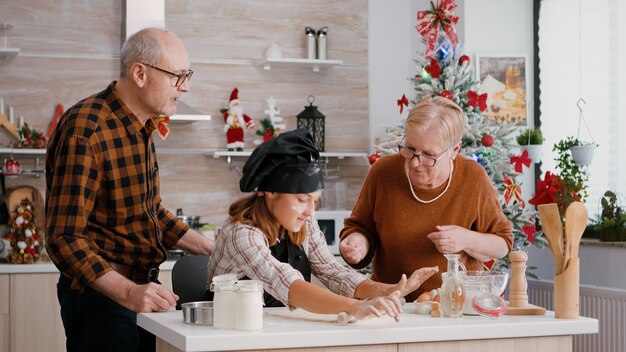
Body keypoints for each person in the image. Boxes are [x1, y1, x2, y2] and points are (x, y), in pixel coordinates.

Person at [45, 27, 214, 352]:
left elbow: (150, 214)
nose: (186, 87)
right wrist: (127, 292)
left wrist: (213, 250)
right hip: (102, 299)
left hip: (142, 289)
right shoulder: (87, 130)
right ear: (139, 73)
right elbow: (64, 238)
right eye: (177, 76)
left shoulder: (142, 127)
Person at [206, 129, 438, 321]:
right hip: (233, 330)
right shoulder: (241, 233)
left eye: (314, 201)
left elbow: (332, 272)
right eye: (301, 199)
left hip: (282, 325)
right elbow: (287, 283)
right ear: (270, 192)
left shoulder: (304, 221)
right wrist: (353, 307)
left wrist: (388, 289)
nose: (310, 210)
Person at [339, 96, 513, 302]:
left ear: (454, 151)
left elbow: (503, 244)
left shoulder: (472, 177)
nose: (415, 163)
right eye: (410, 149)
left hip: (456, 308)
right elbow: (359, 227)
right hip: (393, 305)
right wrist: (358, 244)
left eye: (428, 155)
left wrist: (465, 239)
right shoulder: (383, 172)